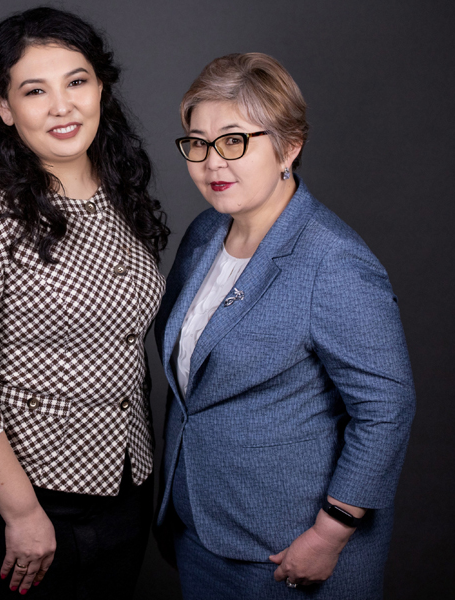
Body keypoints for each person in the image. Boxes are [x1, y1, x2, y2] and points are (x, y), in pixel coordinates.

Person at [0, 7, 169, 598]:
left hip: (124, 488)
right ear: (5, 108)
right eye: (35, 90)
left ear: (100, 87)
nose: (63, 106)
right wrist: (23, 514)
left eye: (76, 81)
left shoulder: (120, 192)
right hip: (24, 502)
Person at [154, 53, 415, 599]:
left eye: (233, 141)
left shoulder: (333, 261)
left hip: (290, 548)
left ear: (289, 146)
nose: (212, 163)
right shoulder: (204, 233)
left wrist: (331, 531)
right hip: (200, 530)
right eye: (197, 143)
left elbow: (386, 408)